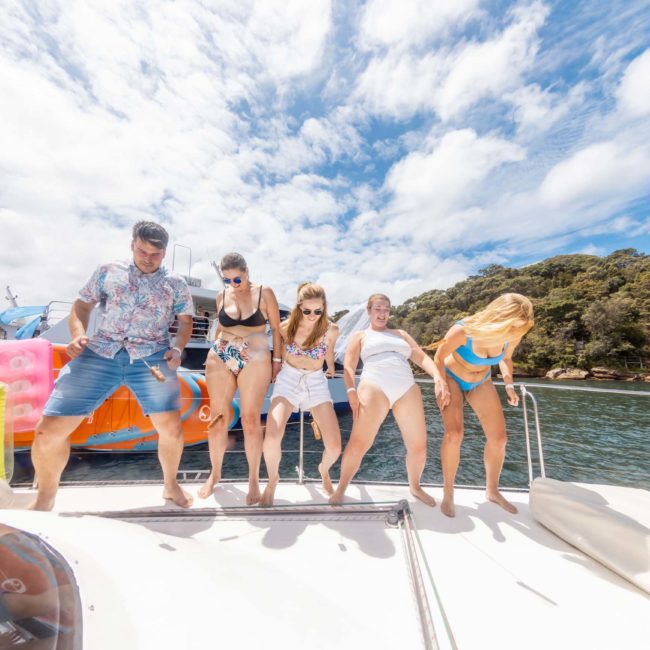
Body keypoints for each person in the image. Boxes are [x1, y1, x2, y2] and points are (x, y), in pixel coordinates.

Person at [29, 221, 194, 511]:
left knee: (171, 429)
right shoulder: (107, 270)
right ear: (132, 245)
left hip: (152, 356)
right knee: (48, 431)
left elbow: (185, 322)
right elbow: (81, 306)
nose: (147, 259)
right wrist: (79, 335)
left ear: (164, 254)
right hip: (100, 352)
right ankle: (44, 500)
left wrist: (178, 348)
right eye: (142, 251)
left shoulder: (176, 284)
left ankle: (170, 486)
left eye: (155, 255)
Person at [431, 293, 534, 518]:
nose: (515, 331)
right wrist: (442, 385)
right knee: (454, 434)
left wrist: (508, 385)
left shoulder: (512, 335)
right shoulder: (463, 330)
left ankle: (492, 491)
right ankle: (448, 493)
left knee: (499, 439)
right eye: (512, 325)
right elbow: (438, 357)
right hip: (451, 378)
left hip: (481, 380)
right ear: (500, 317)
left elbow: (506, 359)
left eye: (518, 328)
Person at [329, 294, 437, 507]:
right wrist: (351, 391)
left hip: (406, 387)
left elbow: (421, 357)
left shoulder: (401, 334)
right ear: (369, 311)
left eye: (386, 309)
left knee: (419, 447)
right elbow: (349, 366)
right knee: (359, 443)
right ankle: (341, 487)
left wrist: (438, 378)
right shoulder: (360, 335)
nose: (382, 313)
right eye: (378, 308)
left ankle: (415, 487)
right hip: (374, 385)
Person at [198, 253, 282, 505]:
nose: (234, 284)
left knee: (250, 420)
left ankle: (254, 479)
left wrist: (276, 361)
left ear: (247, 271)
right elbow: (221, 328)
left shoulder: (264, 292)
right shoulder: (222, 295)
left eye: (238, 278)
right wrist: (215, 349)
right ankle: (215, 474)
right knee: (217, 419)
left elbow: (277, 329)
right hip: (222, 354)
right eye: (228, 280)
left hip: (255, 355)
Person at [261, 283, 341, 506]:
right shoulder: (285, 328)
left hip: (316, 382)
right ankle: (272, 479)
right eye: (308, 311)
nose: (313, 316)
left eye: (319, 311)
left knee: (334, 447)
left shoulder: (331, 330)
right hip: (289, 379)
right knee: (272, 435)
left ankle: (323, 470)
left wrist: (331, 366)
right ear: (299, 306)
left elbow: (329, 353)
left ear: (324, 308)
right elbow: (276, 356)